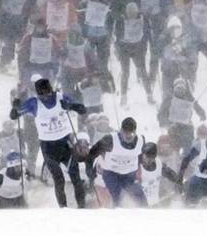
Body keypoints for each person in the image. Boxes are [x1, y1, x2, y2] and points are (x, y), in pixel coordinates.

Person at [9, 75, 88, 208]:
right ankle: (63, 208)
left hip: (66, 144)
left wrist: (70, 106)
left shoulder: (60, 97)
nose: (46, 97)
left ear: (52, 90)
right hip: (48, 147)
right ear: (38, 94)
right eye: (42, 95)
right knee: (59, 179)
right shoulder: (34, 103)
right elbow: (14, 116)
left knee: (76, 178)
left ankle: (82, 208)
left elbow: (83, 109)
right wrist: (15, 106)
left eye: (48, 93)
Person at [87, 116, 148, 207]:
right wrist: (90, 170)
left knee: (141, 199)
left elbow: (141, 156)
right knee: (119, 197)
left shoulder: (141, 141)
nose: (128, 136)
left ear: (135, 132)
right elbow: (91, 153)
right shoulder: (110, 140)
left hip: (129, 175)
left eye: (131, 133)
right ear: (121, 131)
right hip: (111, 173)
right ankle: (118, 212)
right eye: (125, 133)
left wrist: (141, 166)